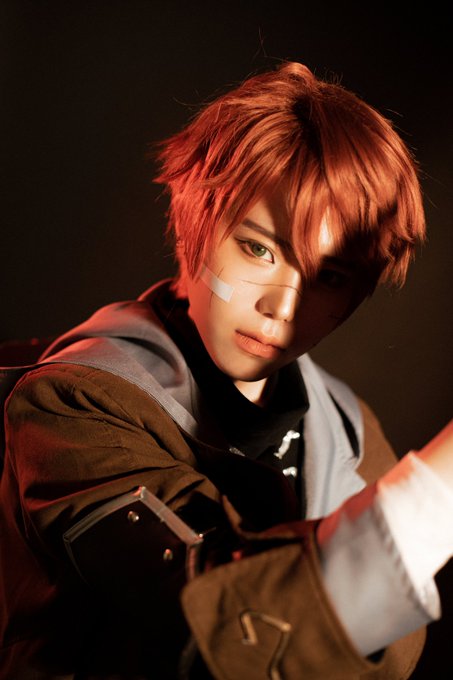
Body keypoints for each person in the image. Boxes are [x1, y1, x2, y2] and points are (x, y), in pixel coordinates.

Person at [0, 61, 452, 680]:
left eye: (329, 277)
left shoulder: (348, 429)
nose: (283, 308)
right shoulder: (73, 402)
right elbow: (212, 623)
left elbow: (391, 659)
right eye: (259, 248)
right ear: (197, 222)